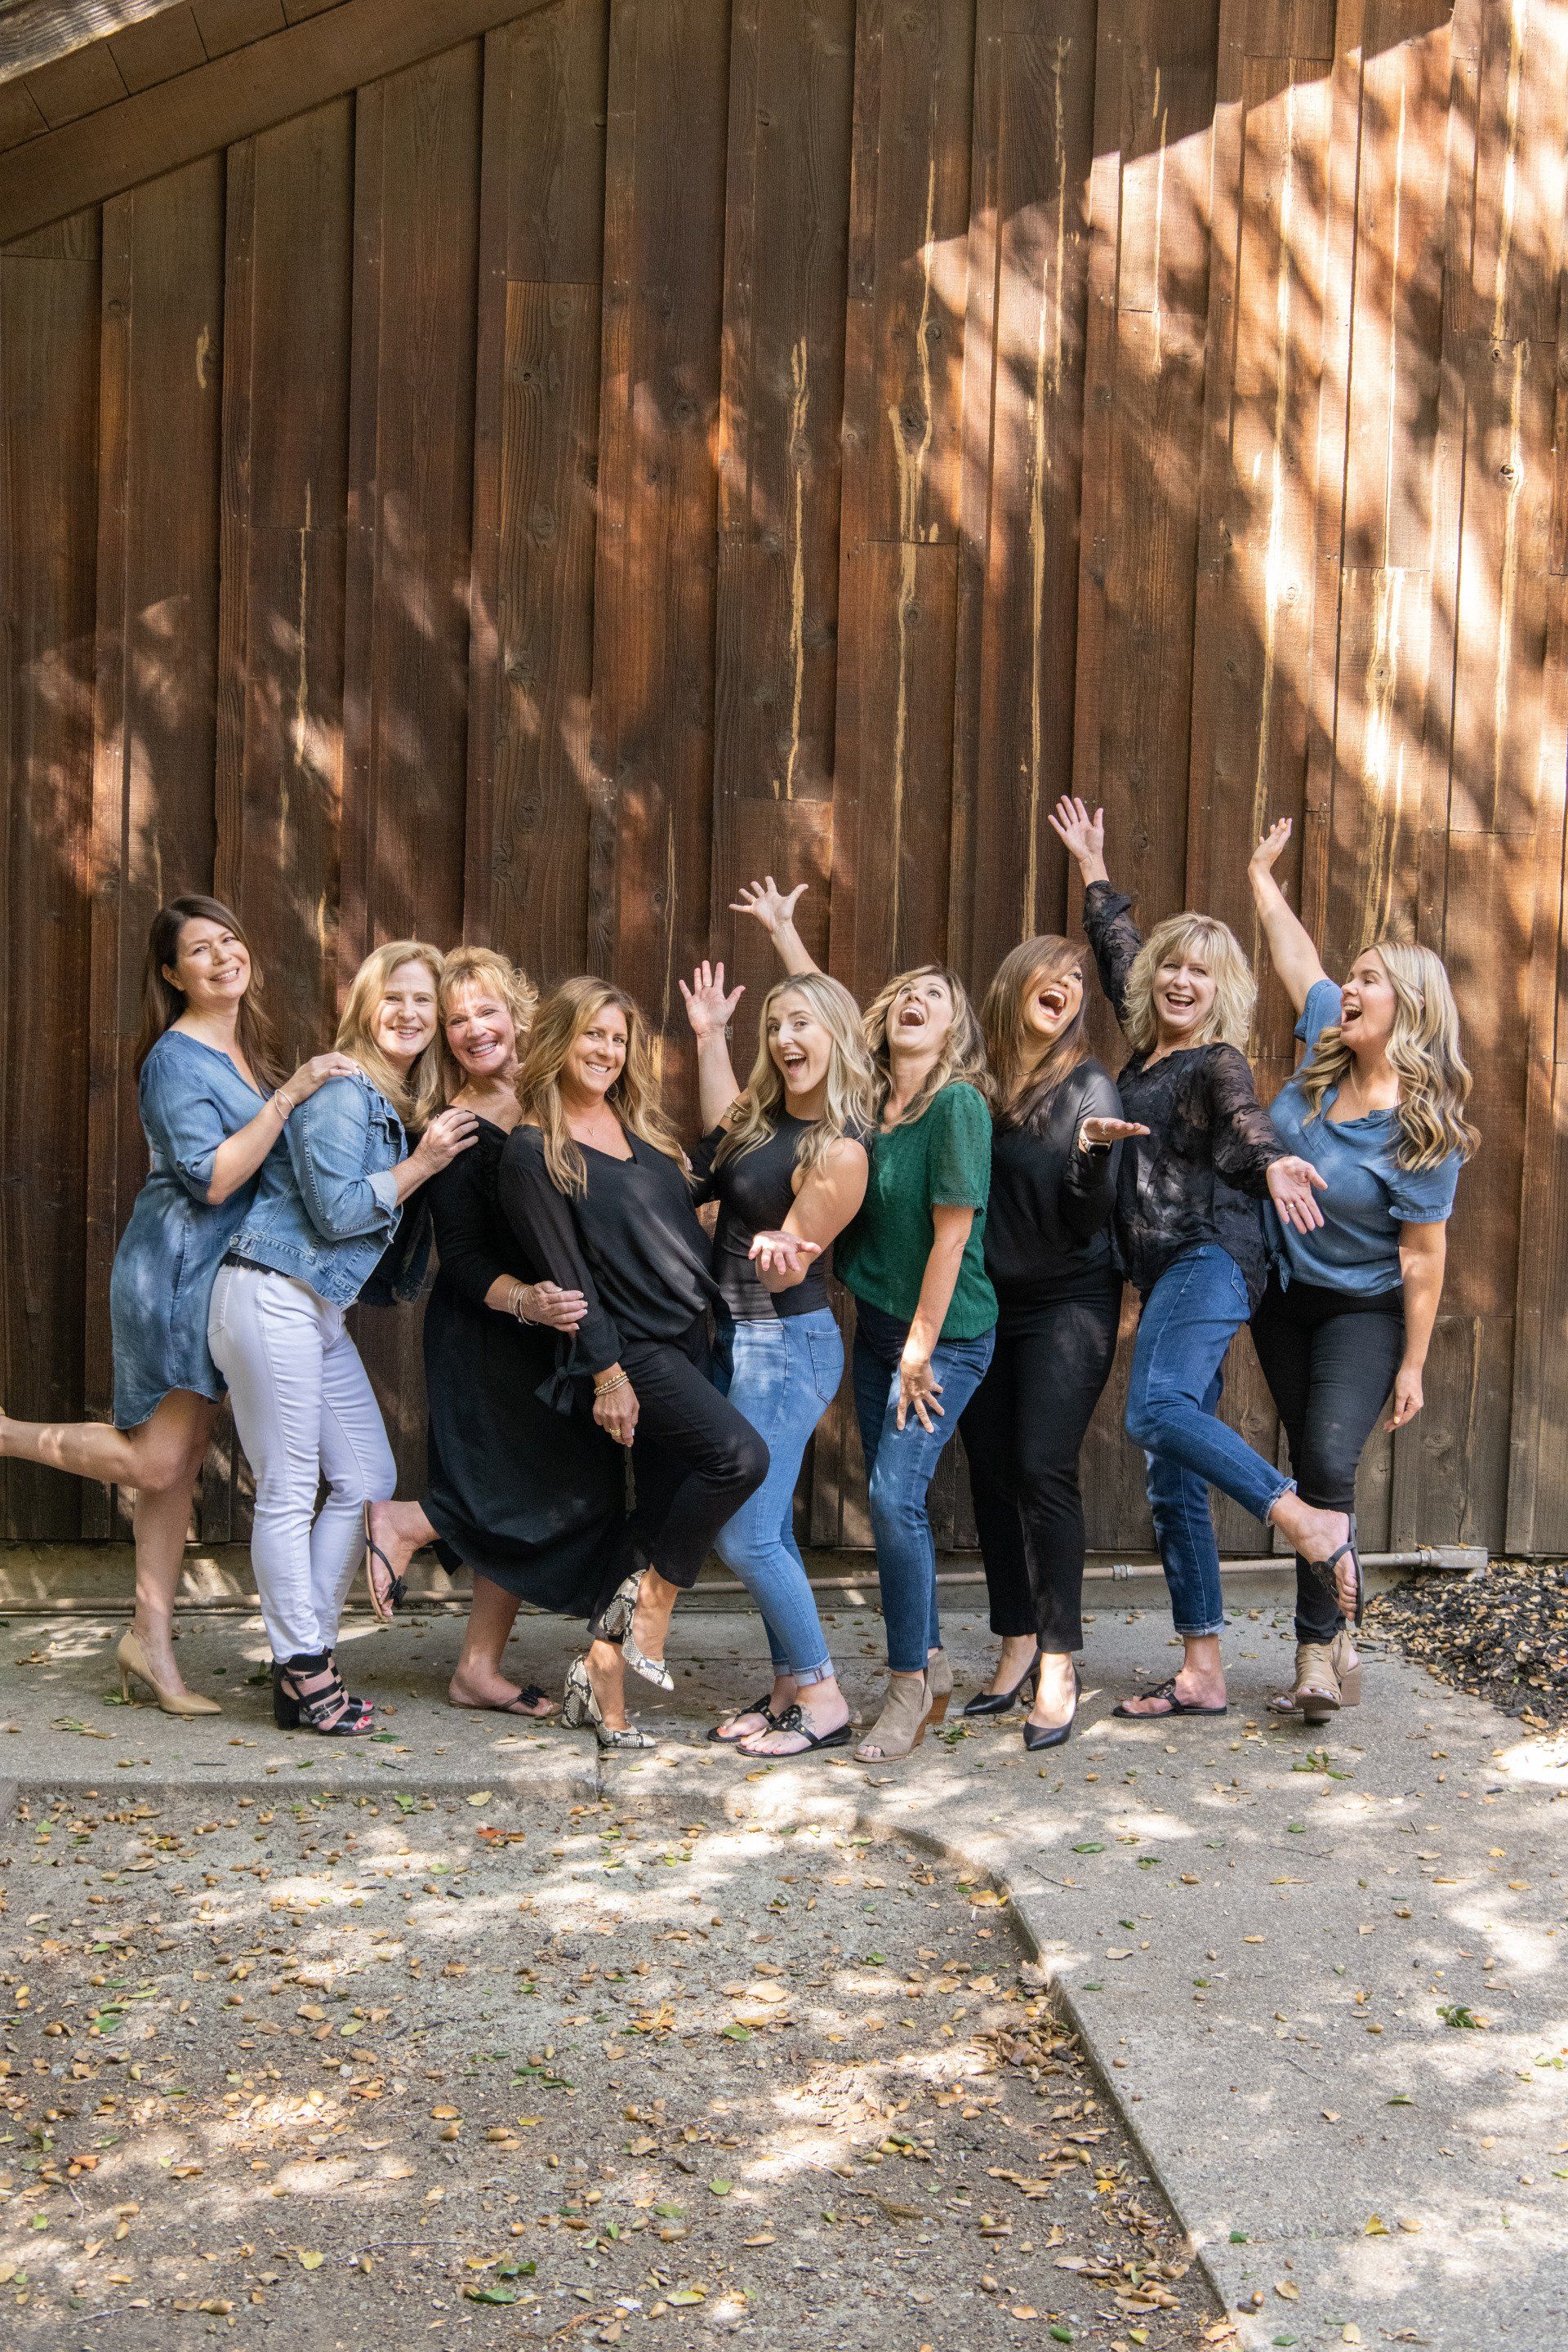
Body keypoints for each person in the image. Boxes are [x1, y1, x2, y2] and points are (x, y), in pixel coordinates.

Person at [1049, 796, 1370, 1719]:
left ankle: (1305, 1519)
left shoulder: (1215, 1061)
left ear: (1222, 989)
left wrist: (1272, 1166)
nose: (1182, 980)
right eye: (1172, 967)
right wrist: (1094, 869)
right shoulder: (1147, 1055)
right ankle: (1202, 1668)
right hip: (1165, 1275)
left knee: (1155, 1409)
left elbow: (1243, 1124)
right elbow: (1118, 950)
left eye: (1201, 971)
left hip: (1212, 1262)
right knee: (1170, 1471)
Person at [0, 896, 358, 1715]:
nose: (224, 956)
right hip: (172, 1273)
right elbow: (213, 1177)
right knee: (157, 1460)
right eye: (201, 949)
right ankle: (8, 1433)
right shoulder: (174, 1059)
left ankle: (150, 1642)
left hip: (219, 1275)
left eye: (231, 939)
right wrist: (291, 1096)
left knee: (180, 1468)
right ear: (172, 974)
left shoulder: (243, 1051)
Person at [733, 879, 998, 1762]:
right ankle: (929, 1665)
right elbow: (824, 1014)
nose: (918, 1003)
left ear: (954, 1032)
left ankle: (908, 1685)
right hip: (888, 1329)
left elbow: (952, 1241)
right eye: (907, 995)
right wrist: (784, 936)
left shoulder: (955, 1105)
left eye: (937, 999)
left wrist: (923, 1348)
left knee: (892, 1497)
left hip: (947, 1335)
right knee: (895, 1499)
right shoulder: (872, 1094)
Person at [207, 942, 475, 1735]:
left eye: (423, 1002)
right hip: (267, 1294)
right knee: (290, 1489)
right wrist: (423, 1164)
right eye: (393, 997)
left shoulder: (385, 1100)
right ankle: (301, 1674)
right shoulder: (340, 1087)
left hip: (313, 1309)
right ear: (364, 1005)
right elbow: (333, 1212)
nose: (409, 1013)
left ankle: (313, 1650)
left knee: (365, 1472)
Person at [499, 978, 768, 1749]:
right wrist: (607, 1374)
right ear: (558, 1040)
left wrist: (712, 1037)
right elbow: (569, 1280)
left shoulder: (641, 1129)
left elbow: (713, 1169)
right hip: (635, 1349)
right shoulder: (533, 1151)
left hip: (692, 1336)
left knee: (655, 1511)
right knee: (739, 1457)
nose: (606, 1052)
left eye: (617, 1039)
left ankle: (601, 1674)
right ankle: (652, 1610)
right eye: (591, 1035)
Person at [1248, 818, 1477, 1719]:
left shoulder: (1422, 1129)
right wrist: (1262, 878)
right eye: (1356, 974)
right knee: (1309, 1459)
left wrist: (1412, 1363)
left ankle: (1316, 1650)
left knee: (1328, 1460)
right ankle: (1335, 1628)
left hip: (1363, 1312)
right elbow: (1296, 958)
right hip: (1283, 1297)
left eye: (1371, 978)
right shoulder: (1321, 1047)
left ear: (1408, 1005)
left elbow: (1424, 1257)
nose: (1350, 985)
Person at [361, 947, 623, 1717]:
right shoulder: (457, 1127)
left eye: (486, 1012)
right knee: (516, 1486)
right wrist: (528, 1305)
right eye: (456, 1022)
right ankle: (412, 1519)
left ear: (518, 1015)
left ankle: (476, 1668)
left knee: (563, 1486)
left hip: (560, 1331)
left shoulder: (563, 1097)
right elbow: (466, 1261)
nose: (474, 1030)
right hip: (487, 1332)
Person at [679, 960, 873, 1756]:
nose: (787, 1037)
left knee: (745, 1533)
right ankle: (789, 1687)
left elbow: (793, 1260)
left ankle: (825, 1697)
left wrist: (779, 1249)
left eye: (803, 1023)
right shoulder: (763, 1119)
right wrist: (708, 1037)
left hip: (785, 1344)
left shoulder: (842, 1151)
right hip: (732, 1339)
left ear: (836, 1035)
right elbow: (726, 1150)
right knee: (768, 1530)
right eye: (776, 1025)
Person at [957, 937, 1143, 1748]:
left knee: (1040, 1465)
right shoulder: (976, 1086)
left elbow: (1083, 1218)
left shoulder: (1088, 1086)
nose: (1068, 985)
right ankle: (1016, 1639)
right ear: (1014, 982)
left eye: (1079, 978)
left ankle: (1060, 1658)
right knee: (992, 1473)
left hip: (1069, 1300)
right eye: (1054, 972)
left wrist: (1095, 1152)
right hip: (987, 1305)